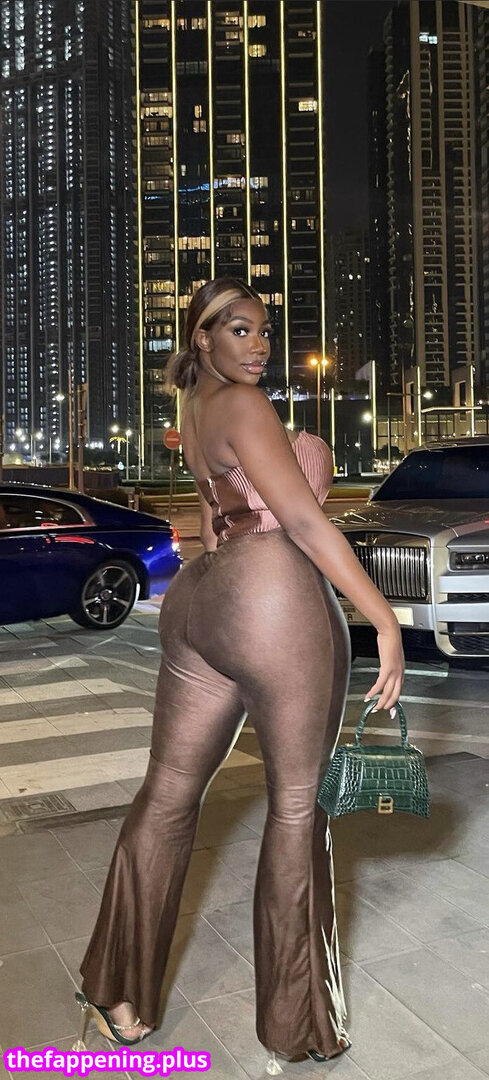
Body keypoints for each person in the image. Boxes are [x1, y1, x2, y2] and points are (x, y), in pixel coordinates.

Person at [76, 277, 404, 1068]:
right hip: (272, 602)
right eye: (238, 330)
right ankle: (295, 1025)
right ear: (202, 338)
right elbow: (302, 521)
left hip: (200, 604)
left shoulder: (194, 409)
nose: (258, 345)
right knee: (296, 812)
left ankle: (117, 990)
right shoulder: (246, 406)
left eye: (263, 330)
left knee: (165, 796)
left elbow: (215, 520)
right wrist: (382, 618)